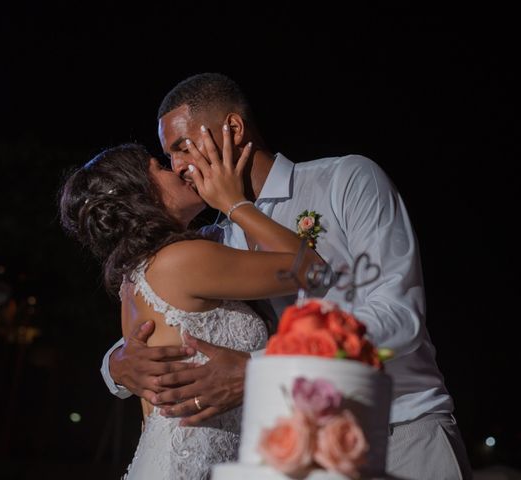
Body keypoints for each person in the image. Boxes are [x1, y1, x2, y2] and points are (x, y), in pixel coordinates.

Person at [100, 72, 473, 480]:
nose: (178, 166)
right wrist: (116, 365)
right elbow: (166, 319)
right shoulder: (216, 240)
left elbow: (399, 318)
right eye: (169, 157)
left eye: (182, 147)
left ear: (233, 129)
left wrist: (260, 369)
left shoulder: (345, 181)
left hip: (399, 435)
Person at [59, 129, 324, 479]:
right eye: (160, 166)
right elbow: (309, 269)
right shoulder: (179, 260)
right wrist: (234, 203)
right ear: (142, 191)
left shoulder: (135, 277)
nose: (178, 170)